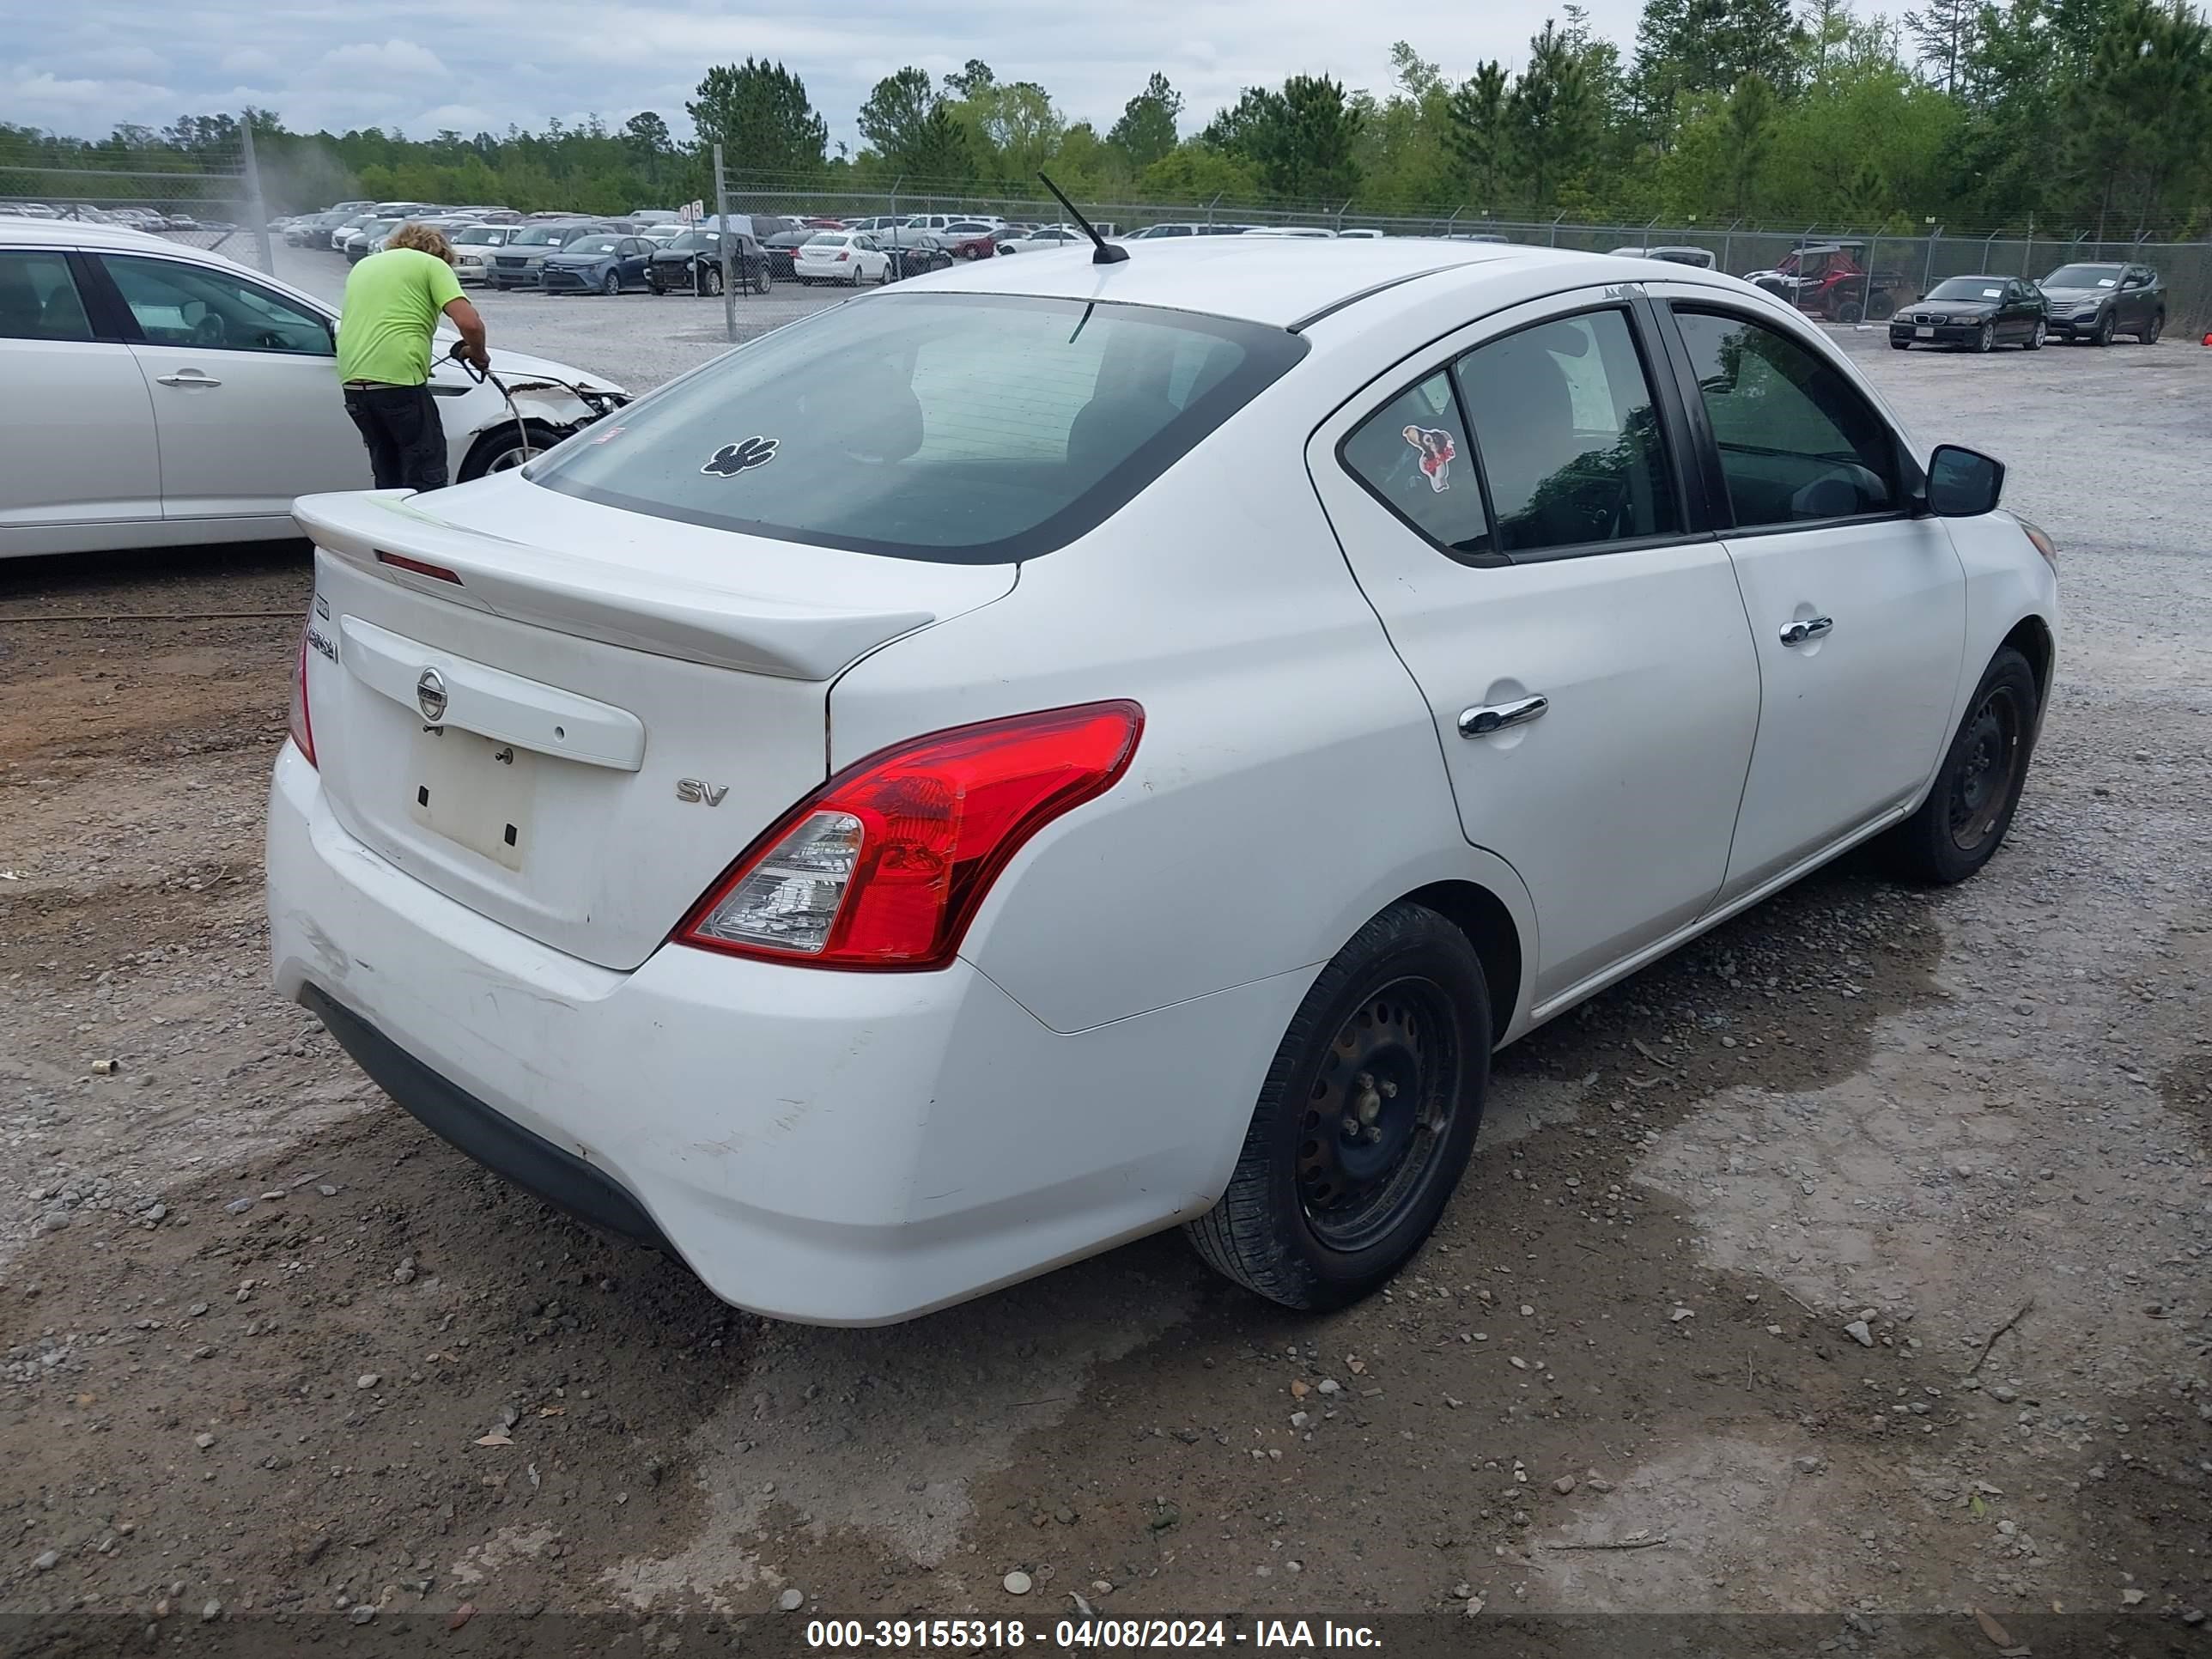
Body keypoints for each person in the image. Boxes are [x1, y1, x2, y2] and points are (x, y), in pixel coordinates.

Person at [335, 222, 489, 491]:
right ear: (441, 253)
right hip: (398, 380)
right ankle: (421, 528)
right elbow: (470, 324)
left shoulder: (364, 265)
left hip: (353, 382)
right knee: (426, 470)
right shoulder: (432, 265)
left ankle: (386, 528)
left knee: (388, 472)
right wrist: (479, 355)